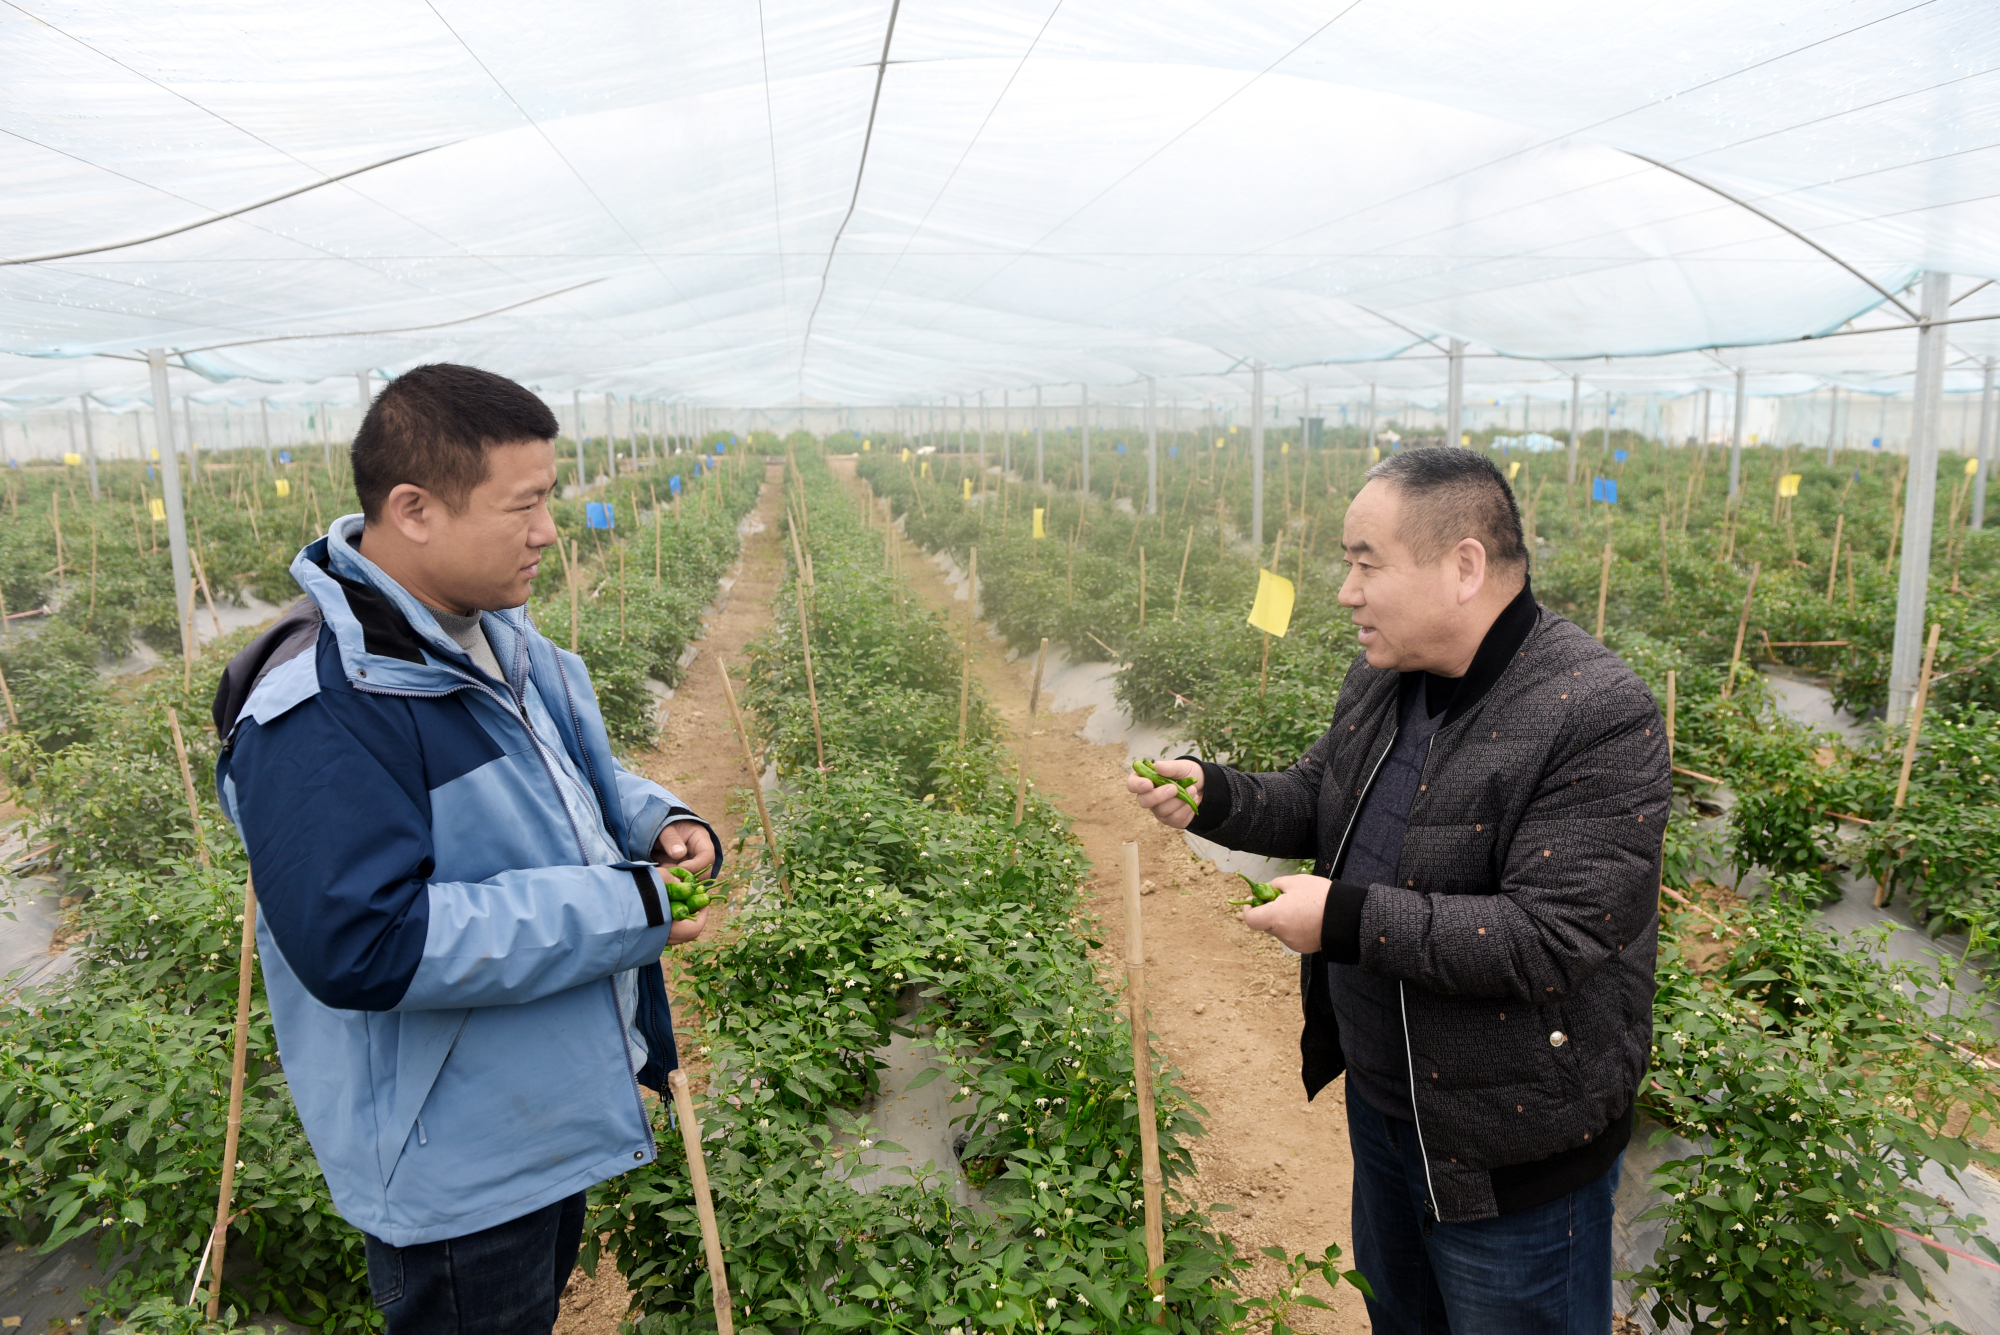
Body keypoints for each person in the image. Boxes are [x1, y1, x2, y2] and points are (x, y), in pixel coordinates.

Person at [213, 364, 716, 1335]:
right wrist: (632, 907)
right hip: (456, 1159)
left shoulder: (487, 635)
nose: (548, 531)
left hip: (531, 1107)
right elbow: (369, 941)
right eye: (523, 505)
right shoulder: (323, 710)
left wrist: (658, 824)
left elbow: (560, 775)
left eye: (550, 499)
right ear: (415, 509)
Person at [1128, 447, 1667, 1334]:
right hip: (1388, 1113)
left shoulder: (1596, 712)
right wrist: (1211, 793)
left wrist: (1340, 918)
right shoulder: (1385, 680)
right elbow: (1320, 799)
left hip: (1510, 1155)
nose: (1345, 589)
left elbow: (1550, 935)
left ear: (1463, 566)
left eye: (1365, 562)